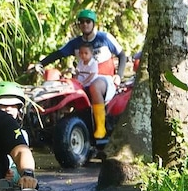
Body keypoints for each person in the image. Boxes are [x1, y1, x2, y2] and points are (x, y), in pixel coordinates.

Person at [31, 9, 127, 139]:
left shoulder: (104, 38)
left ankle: (101, 128)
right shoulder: (75, 43)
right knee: (61, 87)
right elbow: (58, 54)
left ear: (93, 23)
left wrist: (119, 75)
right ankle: (50, 125)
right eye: (81, 22)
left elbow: (122, 55)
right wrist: (40, 64)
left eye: (88, 21)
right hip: (82, 79)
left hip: (104, 79)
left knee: (95, 86)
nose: (85, 24)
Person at [0, 80, 29, 183]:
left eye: (13, 105)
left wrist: (13, 175)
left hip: (8, 186)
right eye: (3, 105)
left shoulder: (21, 134)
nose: (8, 109)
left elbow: (21, 164)